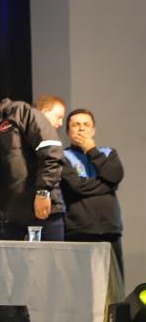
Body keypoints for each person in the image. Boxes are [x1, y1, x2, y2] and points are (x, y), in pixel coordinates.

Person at [0, 75, 63, 240]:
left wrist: (43, 192)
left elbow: (50, 151)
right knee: (6, 266)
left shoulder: (20, 112)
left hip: (38, 211)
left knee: (48, 265)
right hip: (2, 220)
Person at [60, 108, 125, 274]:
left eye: (86, 124)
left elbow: (115, 176)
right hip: (78, 230)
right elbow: (76, 186)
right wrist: (107, 184)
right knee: (80, 284)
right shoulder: (62, 156)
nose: (81, 128)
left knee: (113, 288)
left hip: (110, 230)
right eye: (75, 124)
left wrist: (91, 150)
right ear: (68, 131)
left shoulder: (108, 153)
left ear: (93, 130)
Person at [33, 94, 68, 241]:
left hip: (52, 208)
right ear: (44, 111)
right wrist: (43, 193)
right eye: (58, 116)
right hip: (42, 209)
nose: (60, 123)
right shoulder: (30, 136)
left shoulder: (50, 138)